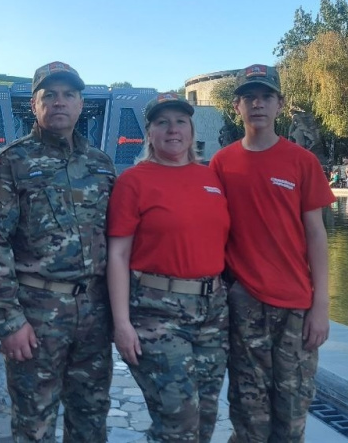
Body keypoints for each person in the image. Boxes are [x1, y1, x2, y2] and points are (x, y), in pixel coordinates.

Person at [0, 61, 117, 443]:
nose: (59, 102)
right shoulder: (11, 163)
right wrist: (9, 321)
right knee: (33, 424)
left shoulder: (101, 165)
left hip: (94, 313)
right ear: (34, 104)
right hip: (36, 315)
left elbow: (116, 240)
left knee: (91, 419)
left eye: (68, 95)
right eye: (49, 95)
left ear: (80, 103)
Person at [209, 65, 336, 443]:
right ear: (237, 106)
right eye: (249, 97)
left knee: (292, 415)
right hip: (243, 303)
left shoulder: (302, 161)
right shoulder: (221, 164)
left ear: (280, 104)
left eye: (266, 97)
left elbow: (316, 234)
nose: (257, 104)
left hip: (295, 305)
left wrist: (321, 305)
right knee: (249, 416)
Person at [107, 92, 230, 443]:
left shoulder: (211, 178)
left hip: (212, 313)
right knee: (178, 421)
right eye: (162, 122)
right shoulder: (134, 181)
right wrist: (122, 324)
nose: (172, 129)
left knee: (205, 417)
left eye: (180, 121)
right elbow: (118, 255)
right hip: (157, 313)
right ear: (149, 133)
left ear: (191, 130)